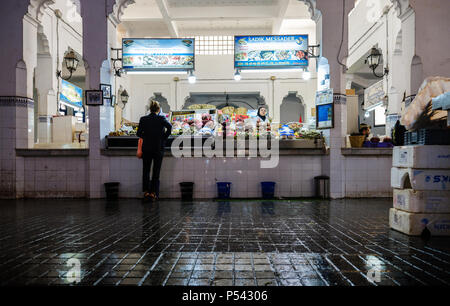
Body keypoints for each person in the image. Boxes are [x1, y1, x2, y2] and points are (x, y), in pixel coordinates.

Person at [136, 100, 172, 201]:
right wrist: (163, 138)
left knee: (146, 170)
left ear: (150, 109)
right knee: (156, 171)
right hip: (158, 148)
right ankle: (153, 193)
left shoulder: (143, 119)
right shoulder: (161, 118)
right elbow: (170, 127)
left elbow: (138, 133)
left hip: (146, 148)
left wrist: (146, 137)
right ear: (158, 109)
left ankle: (146, 192)